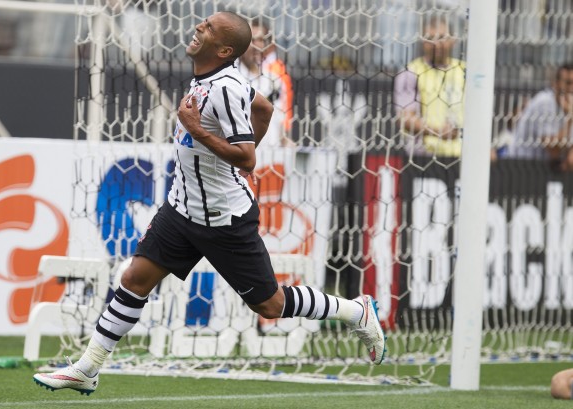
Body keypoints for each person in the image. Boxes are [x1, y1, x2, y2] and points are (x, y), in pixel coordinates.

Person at [33, 11, 386, 395]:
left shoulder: (226, 90)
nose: (198, 27)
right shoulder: (207, 78)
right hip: (181, 208)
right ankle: (88, 368)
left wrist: (197, 130)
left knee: (270, 305)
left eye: (208, 28)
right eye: (203, 22)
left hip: (223, 218)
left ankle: (356, 311)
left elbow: (247, 157)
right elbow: (264, 108)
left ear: (223, 49)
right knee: (135, 279)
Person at [393, 14, 465, 158]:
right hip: (425, 159)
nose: (436, 44)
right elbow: (405, 118)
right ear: (422, 41)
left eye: (441, 37)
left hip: (463, 157)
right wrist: (437, 132)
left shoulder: (464, 70)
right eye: (430, 38)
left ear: (453, 40)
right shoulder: (411, 72)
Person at [504, 63, 573, 171]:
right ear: (556, 84)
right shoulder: (544, 102)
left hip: (546, 170)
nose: (571, 88)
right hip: (520, 167)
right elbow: (553, 150)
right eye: (568, 83)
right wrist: (570, 118)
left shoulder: (569, 107)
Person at [238, 18, 294, 148]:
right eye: (252, 40)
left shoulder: (274, 79)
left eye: (261, 40)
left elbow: (280, 117)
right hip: (244, 157)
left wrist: (285, 142)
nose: (258, 45)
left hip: (272, 156)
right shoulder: (232, 79)